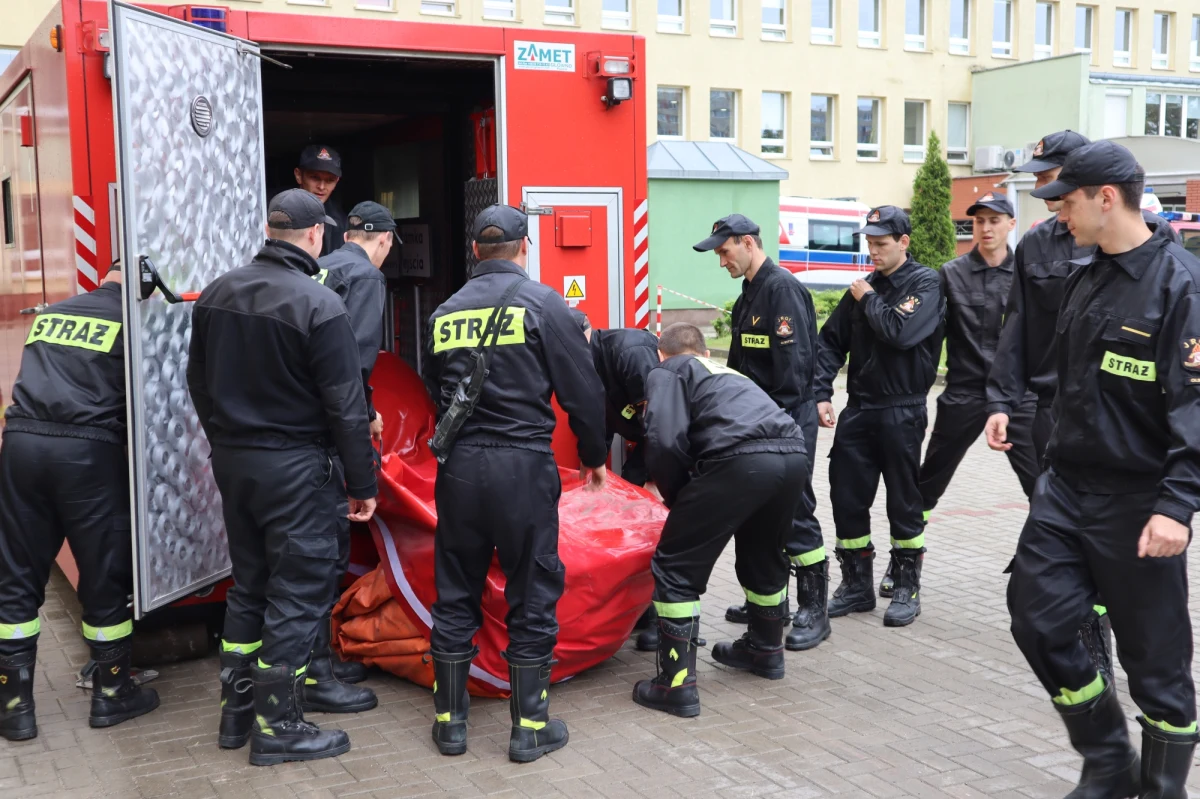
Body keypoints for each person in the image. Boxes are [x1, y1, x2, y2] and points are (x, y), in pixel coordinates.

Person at [1006, 140, 1200, 796]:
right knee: (1037, 616)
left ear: (1106, 198)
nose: (1058, 213)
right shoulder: (1083, 274)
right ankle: (1108, 759)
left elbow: (1196, 403)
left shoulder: (1180, 284)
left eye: (1066, 200)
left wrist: (1178, 502)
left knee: (1156, 663)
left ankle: (1161, 787)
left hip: (1139, 499)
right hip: (1065, 488)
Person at [984, 130, 1181, 695]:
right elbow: (1019, 324)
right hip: (1056, 420)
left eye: (1058, 182)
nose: (1049, 195)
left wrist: (1178, 500)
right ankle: (1090, 656)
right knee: (1051, 566)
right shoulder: (1047, 248)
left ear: (1100, 188)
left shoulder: (1157, 259)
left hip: (1127, 439)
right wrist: (1003, 400)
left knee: (1127, 582)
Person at [187, 189, 378, 765]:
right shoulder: (320, 306)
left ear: (270, 230)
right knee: (298, 594)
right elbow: (346, 408)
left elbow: (197, 381)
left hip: (235, 464)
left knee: (250, 586)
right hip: (296, 469)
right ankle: (279, 727)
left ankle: (237, 713)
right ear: (318, 234)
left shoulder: (218, 292)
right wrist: (362, 485)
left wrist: (225, 442)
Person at [422, 204, 606, 763]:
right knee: (531, 588)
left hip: (458, 467)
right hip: (523, 467)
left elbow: (436, 388)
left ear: (475, 250)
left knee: (455, 587)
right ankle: (529, 727)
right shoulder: (544, 305)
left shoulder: (445, 311)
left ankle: (450, 725)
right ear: (524, 248)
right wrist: (595, 454)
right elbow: (584, 391)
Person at [0, 262, 161, 741]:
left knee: (19, 572)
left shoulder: (52, 314)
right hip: (87, 454)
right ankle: (112, 695)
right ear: (145, 290)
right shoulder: (135, 327)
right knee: (103, 569)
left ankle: (14, 708)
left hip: (22, 444)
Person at [631, 323, 807, 718]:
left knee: (676, 566)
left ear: (663, 354)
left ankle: (675, 686)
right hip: (792, 455)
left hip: (739, 459)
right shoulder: (726, 372)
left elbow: (663, 438)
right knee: (763, 555)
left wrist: (679, 499)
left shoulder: (668, 369)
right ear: (705, 351)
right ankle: (766, 651)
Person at [693, 214, 828, 652]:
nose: (721, 261)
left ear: (748, 243)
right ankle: (774, 603)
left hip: (786, 421)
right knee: (762, 513)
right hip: (761, 422)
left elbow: (793, 372)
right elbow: (740, 366)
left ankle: (814, 609)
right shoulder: (752, 291)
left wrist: (768, 427)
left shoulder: (781, 290)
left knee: (795, 511)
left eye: (724, 251)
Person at [814, 205, 945, 628]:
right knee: (847, 497)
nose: (873, 251)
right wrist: (821, 393)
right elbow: (830, 342)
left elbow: (900, 332)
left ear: (904, 242)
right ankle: (856, 586)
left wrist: (868, 298)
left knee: (904, 501)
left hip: (902, 408)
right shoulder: (864, 287)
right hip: (860, 408)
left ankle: (907, 586)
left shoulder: (925, 283)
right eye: (869, 243)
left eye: (881, 243)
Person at [914, 193, 1039, 523]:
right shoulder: (950, 274)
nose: (986, 228)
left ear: (1011, 224)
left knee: (1043, 486)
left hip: (1017, 397)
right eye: (979, 220)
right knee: (928, 483)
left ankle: (1043, 565)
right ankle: (906, 560)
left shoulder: (1028, 276)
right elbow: (929, 340)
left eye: (994, 220)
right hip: (965, 393)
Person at [295, 144, 348, 257]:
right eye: (315, 178)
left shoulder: (340, 221)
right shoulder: (278, 213)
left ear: (337, 181)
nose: (322, 187)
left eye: (330, 180)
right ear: (298, 175)